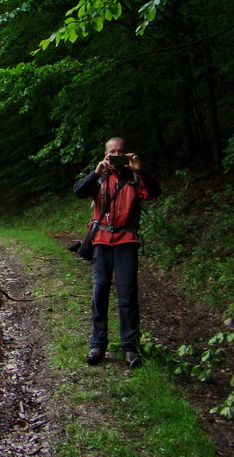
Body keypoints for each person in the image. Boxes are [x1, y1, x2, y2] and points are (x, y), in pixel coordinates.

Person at [73, 137, 161, 369]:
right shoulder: (100, 178)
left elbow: (154, 193)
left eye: (120, 152)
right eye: (112, 152)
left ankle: (130, 347)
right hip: (101, 241)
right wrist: (95, 172)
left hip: (126, 242)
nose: (116, 156)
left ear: (127, 154)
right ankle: (97, 344)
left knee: (127, 295)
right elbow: (79, 192)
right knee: (99, 293)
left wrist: (140, 171)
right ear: (105, 154)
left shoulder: (134, 179)